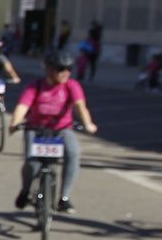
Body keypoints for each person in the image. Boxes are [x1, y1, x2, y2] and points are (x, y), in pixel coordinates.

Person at [8, 49, 98, 214]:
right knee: (32, 163)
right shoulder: (36, 86)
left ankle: (64, 197)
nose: (66, 73)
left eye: (69, 69)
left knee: (73, 153)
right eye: (61, 69)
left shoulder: (72, 86)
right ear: (49, 69)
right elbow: (23, 106)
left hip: (61, 129)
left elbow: (80, 106)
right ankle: (25, 191)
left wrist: (88, 124)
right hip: (36, 129)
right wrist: (15, 122)